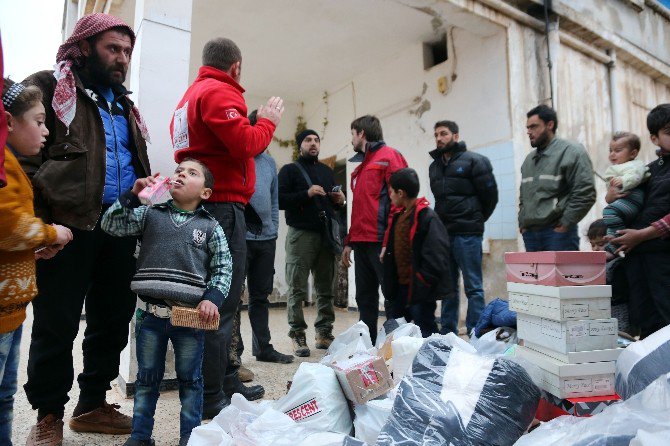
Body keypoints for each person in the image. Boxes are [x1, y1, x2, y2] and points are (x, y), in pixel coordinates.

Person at [19, 14, 152, 444]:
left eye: (127, 51)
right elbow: (22, 156)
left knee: (113, 318)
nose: (121, 58)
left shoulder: (125, 105)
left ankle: (92, 403)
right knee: (56, 322)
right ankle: (49, 413)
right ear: (85, 47)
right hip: (67, 227)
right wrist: (37, 224)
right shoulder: (46, 86)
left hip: (120, 227)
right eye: (113, 48)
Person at [169, 37, 283, 418]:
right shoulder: (219, 92)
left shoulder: (188, 98)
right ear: (235, 66)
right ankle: (212, 397)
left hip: (201, 209)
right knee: (221, 304)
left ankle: (226, 380)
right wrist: (266, 120)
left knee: (213, 302)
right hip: (222, 208)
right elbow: (244, 143)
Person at [101, 159, 231, 446]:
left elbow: (223, 268)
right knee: (146, 381)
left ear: (206, 193)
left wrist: (213, 298)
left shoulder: (210, 227)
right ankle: (140, 436)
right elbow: (110, 224)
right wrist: (132, 195)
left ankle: (190, 437)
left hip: (189, 318)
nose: (182, 174)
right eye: (179, 170)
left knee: (190, 380)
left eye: (192, 173)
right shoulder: (149, 214)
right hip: (149, 316)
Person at [0, 78, 73, 446]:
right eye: (39, 120)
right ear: (8, 122)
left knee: (3, 397)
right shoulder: (3, 166)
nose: (46, 131)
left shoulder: (11, 162)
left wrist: (29, 251)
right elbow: (7, 223)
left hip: (10, 309)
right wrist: (49, 234)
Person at [278, 129, 345, 356]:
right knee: (297, 287)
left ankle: (324, 333)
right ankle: (297, 335)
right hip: (301, 235)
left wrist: (340, 201)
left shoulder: (326, 171)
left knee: (326, 287)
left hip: (325, 234)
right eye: (308, 140)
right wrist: (306, 193)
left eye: (316, 140)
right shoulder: (289, 171)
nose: (313, 143)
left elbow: (331, 205)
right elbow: (279, 200)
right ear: (300, 145)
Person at [428, 120, 498, 336]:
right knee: (448, 287)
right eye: (436, 135)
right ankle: (448, 331)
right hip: (444, 235)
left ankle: (476, 330)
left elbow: (490, 197)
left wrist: (475, 219)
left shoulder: (475, 161)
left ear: (455, 136)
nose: (439, 138)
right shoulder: (435, 166)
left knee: (473, 286)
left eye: (444, 134)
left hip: (468, 233)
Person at [342, 115, 407, 345]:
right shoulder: (364, 165)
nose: (351, 139)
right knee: (365, 298)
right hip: (361, 243)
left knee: (392, 297)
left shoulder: (389, 157)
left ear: (361, 133)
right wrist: (349, 241)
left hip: (381, 242)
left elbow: (400, 202)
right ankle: (368, 349)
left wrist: (388, 241)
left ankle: (398, 347)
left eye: (352, 133)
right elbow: (360, 209)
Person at [608, 104, 670, 339]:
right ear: (654, 138)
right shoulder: (647, 171)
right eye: (669, 131)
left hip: (663, 257)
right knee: (646, 323)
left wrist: (643, 234)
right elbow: (631, 208)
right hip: (638, 258)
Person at [243, 110, 293, 364]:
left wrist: (272, 227)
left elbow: (273, 200)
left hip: (266, 239)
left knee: (260, 297)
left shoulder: (270, 163)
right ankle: (232, 356)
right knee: (231, 297)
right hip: (240, 237)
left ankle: (263, 348)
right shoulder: (239, 156)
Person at [381, 168, 451, 338]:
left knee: (426, 328)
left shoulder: (426, 217)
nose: (389, 195)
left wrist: (423, 280)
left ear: (400, 193)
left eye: (391, 191)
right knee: (395, 331)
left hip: (420, 289)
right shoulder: (399, 217)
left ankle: (435, 361)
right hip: (402, 289)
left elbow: (437, 254)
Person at [519, 105, 596, 251]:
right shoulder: (529, 160)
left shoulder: (572, 152)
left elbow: (585, 193)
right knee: (537, 275)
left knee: (562, 275)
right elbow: (524, 196)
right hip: (530, 235)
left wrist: (565, 224)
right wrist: (522, 224)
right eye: (527, 128)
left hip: (558, 234)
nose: (529, 132)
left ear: (550, 125)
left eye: (534, 126)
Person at [602, 132, 647, 254]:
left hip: (633, 199)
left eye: (617, 150)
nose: (612, 154)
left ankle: (618, 242)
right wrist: (609, 195)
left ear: (633, 153)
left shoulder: (635, 165)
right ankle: (612, 246)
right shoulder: (617, 167)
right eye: (610, 150)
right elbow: (611, 193)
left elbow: (635, 177)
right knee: (610, 223)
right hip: (622, 200)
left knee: (609, 212)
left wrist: (623, 181)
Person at [586, 219, 632, 335]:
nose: (596, 249)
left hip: (619, 311)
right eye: (592, 245)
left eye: (601, 244)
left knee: (620, 336)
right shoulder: (597, 265)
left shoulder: (619, 264)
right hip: (601, 311)